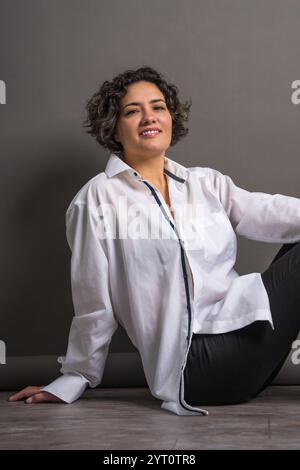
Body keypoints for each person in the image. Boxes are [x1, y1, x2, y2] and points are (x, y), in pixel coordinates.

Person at [9, 66, 300, 416]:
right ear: (114, 128)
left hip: (248, 346)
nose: (149, 117)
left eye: (158, 107)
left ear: (171, 116)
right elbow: (94, 304)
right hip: (195, 367)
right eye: (133, 111)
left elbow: (272, 212)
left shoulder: (204, 183)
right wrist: (75, 377)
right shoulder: (97, 199)